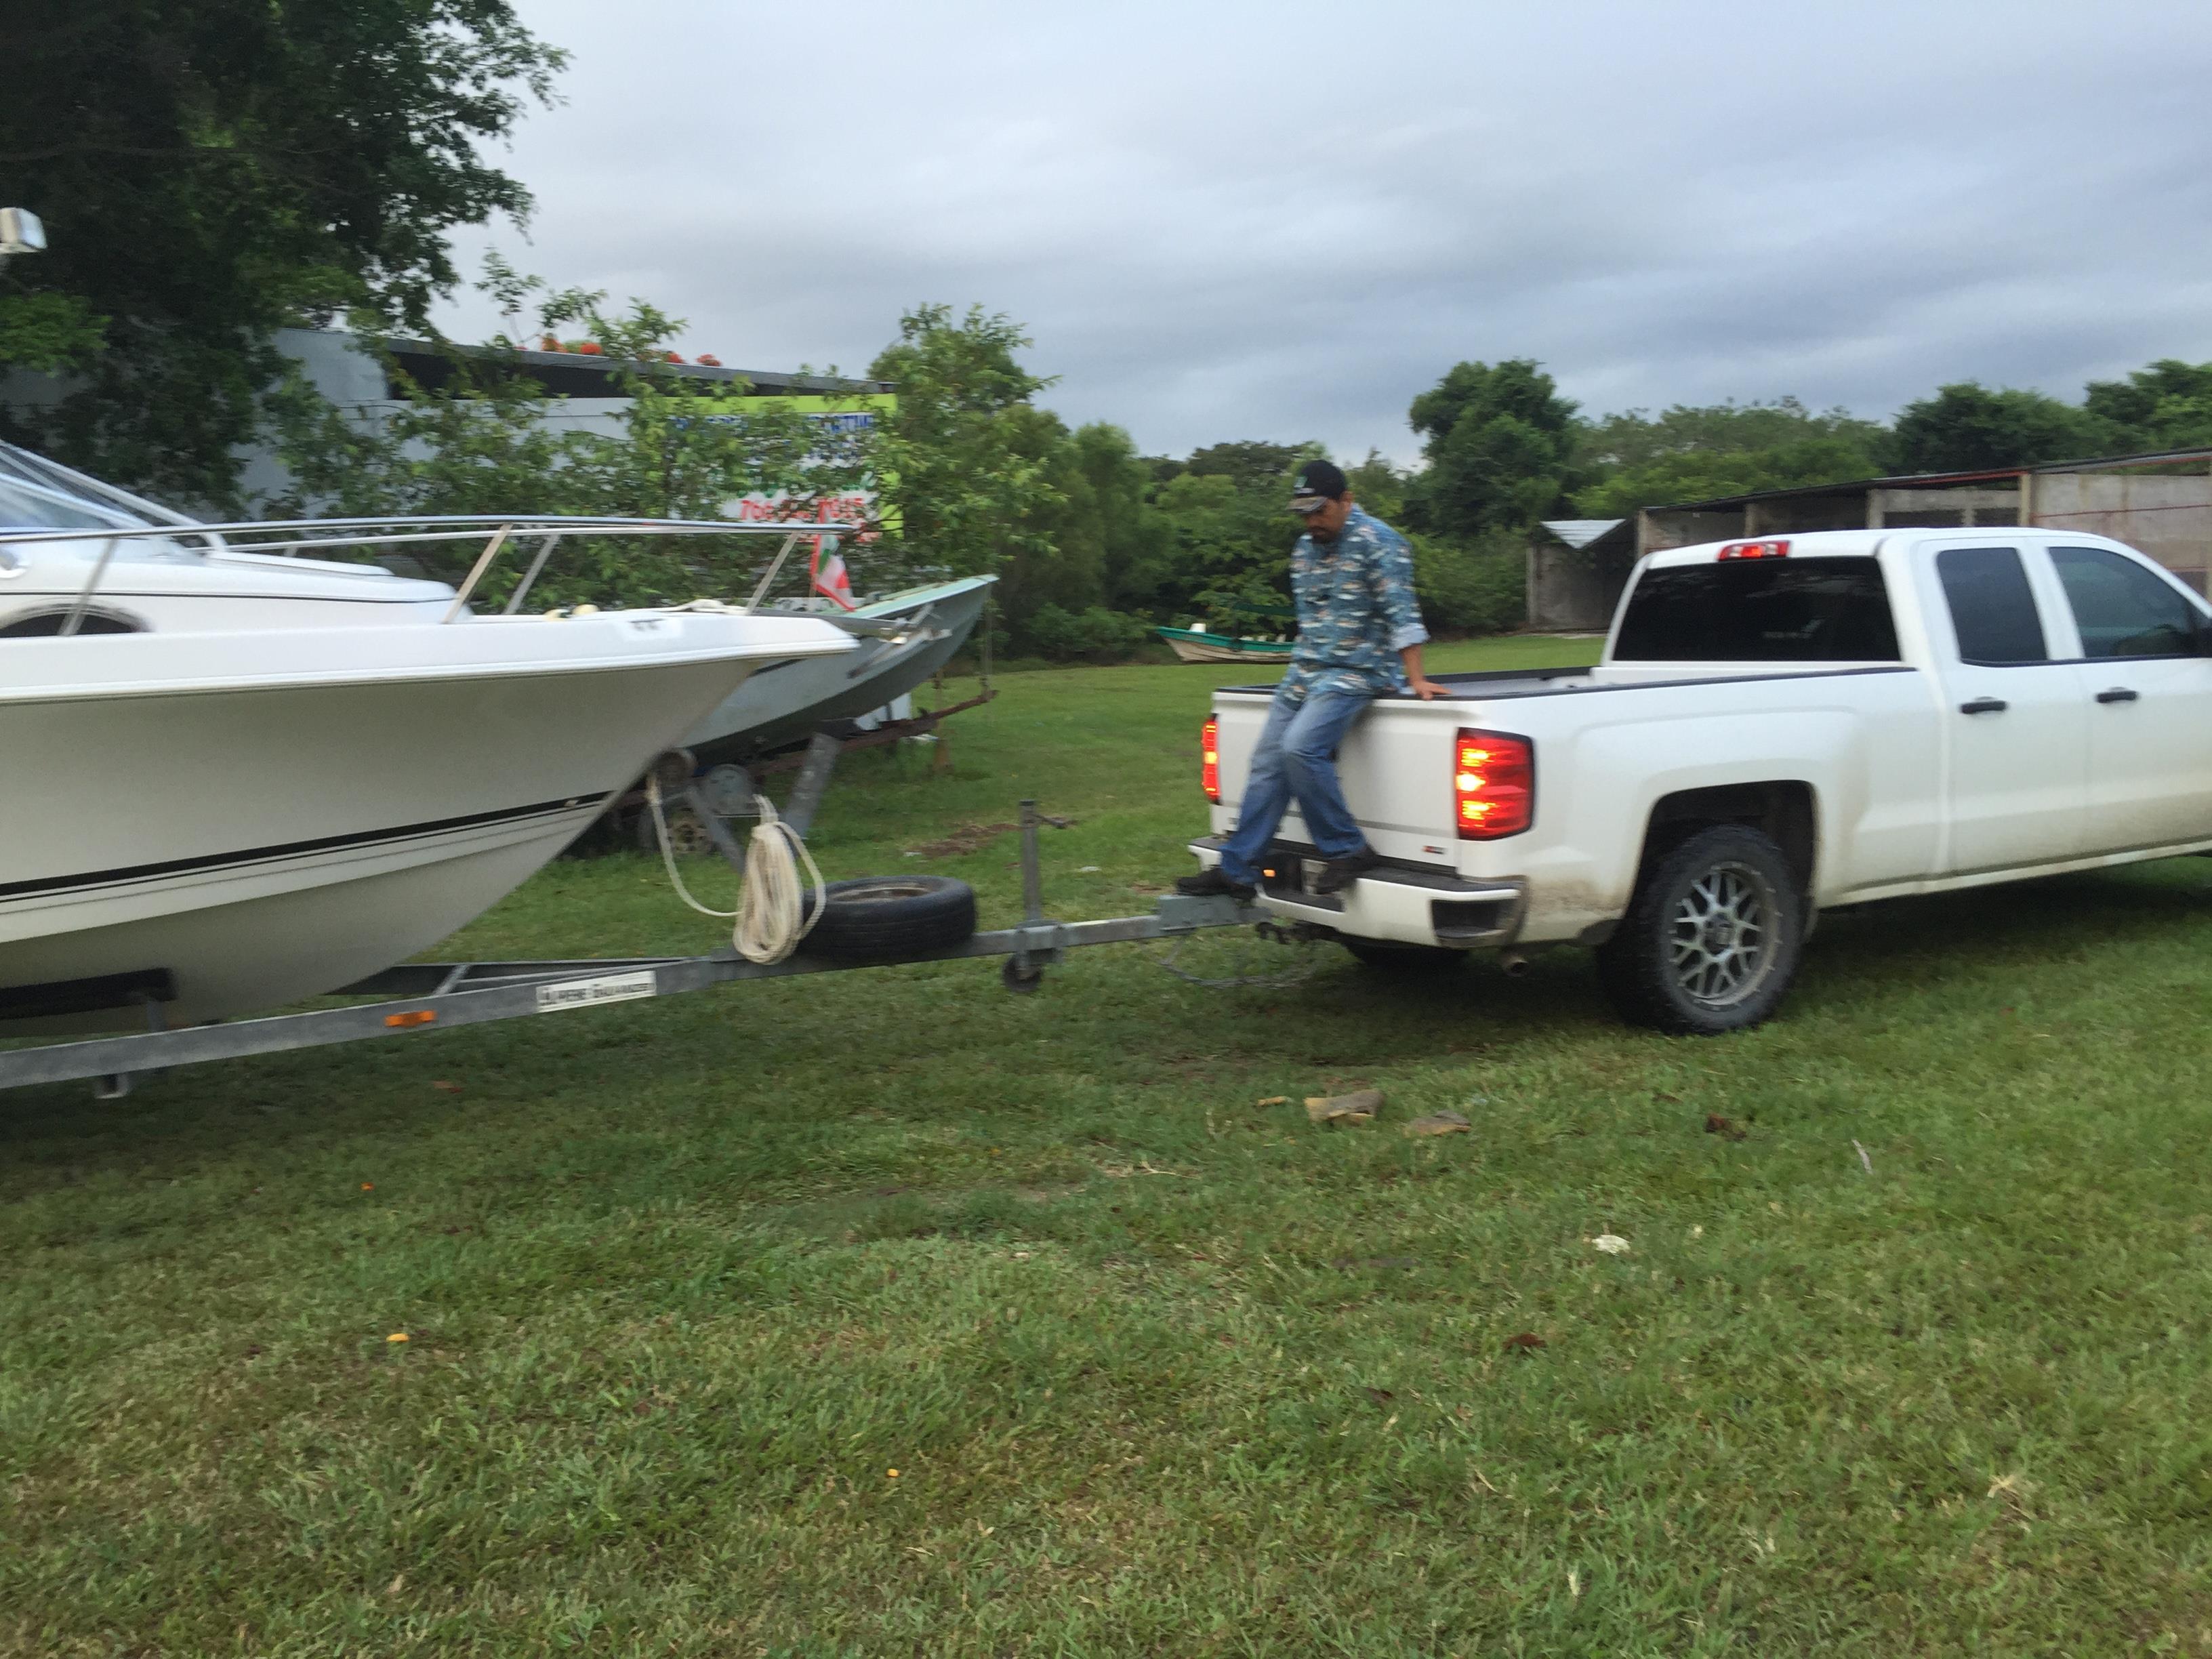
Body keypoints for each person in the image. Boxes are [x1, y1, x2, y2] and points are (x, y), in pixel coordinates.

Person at [1176, 458, 1448, 902]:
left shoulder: (1381, 543)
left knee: (1300, 748)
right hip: (1305, 672)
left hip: (1357, 671)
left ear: (1347, 501)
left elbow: (1402, 612)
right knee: (1268, 763)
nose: (1312, 521)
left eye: (1320, 511)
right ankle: (1237, 870)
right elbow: (1312, 618)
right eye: (1304, 513)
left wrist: (1416, 678)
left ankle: (1347, 848)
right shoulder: (1305, 548)